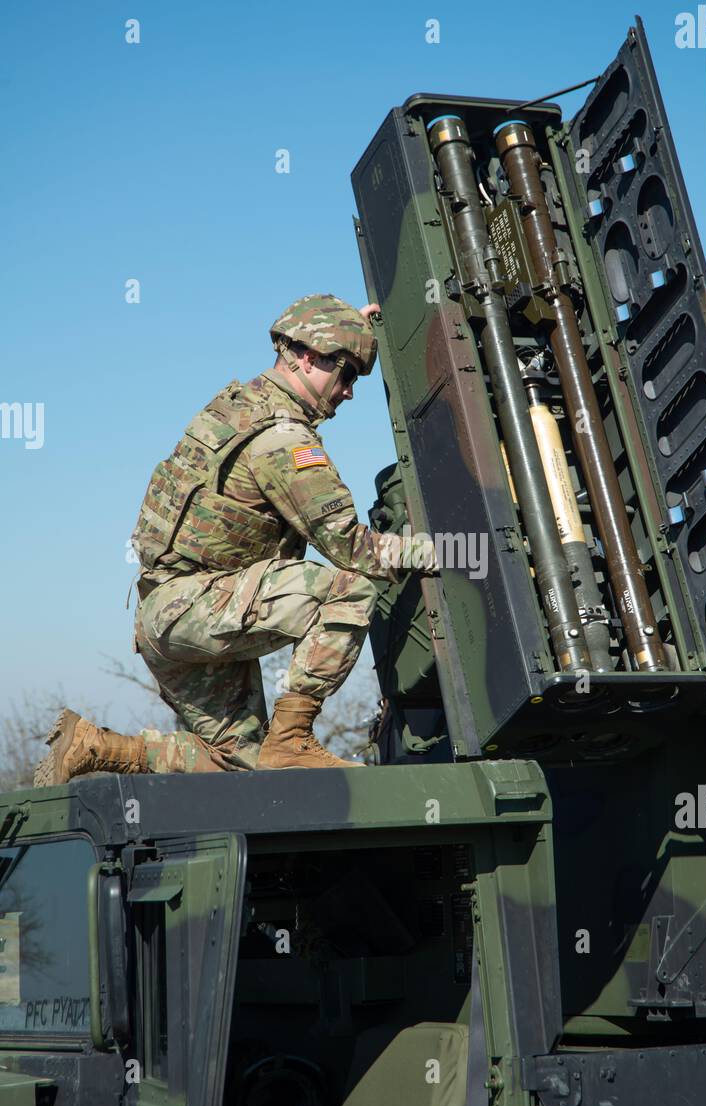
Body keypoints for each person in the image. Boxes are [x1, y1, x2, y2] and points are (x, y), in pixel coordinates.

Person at [35, 294, 438, 784]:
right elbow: (351, 549)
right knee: (347, 589)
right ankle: (294, 741)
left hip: (166, 617)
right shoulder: (285, 440)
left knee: (244, 763)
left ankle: (95, 747)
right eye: (347, 373)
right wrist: (436, 550)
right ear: (307, 357)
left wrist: (349, 327)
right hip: (194, 607)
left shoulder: (243, 406)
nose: (350, 391)